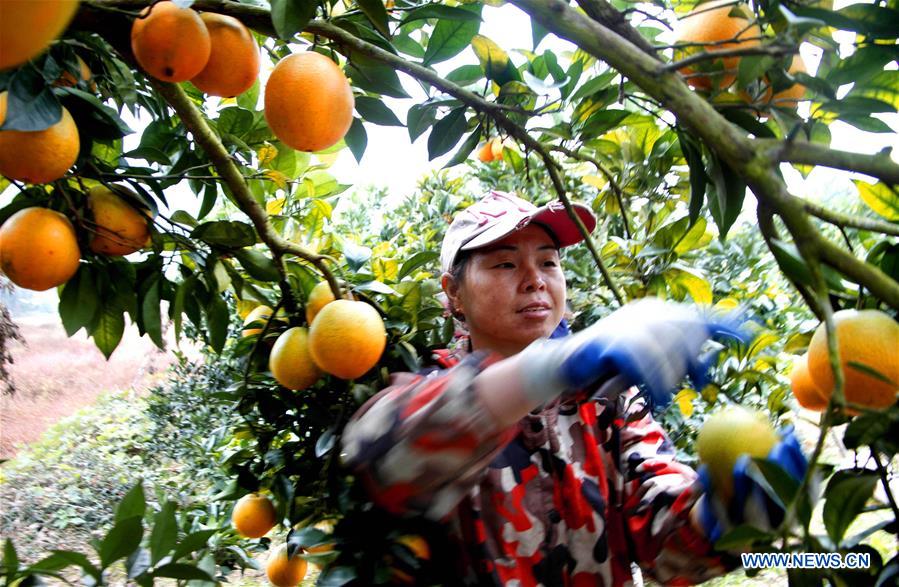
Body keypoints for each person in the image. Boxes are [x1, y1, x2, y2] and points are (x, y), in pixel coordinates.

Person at [341, 191, 806, 586]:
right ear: (454, 293)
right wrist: (547, 368)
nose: (535, 280)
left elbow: (664, 548)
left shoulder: (606, 398)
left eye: (549, 261)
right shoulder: (430, 387)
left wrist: (724, 516)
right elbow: (385, 460)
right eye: (505, 263)